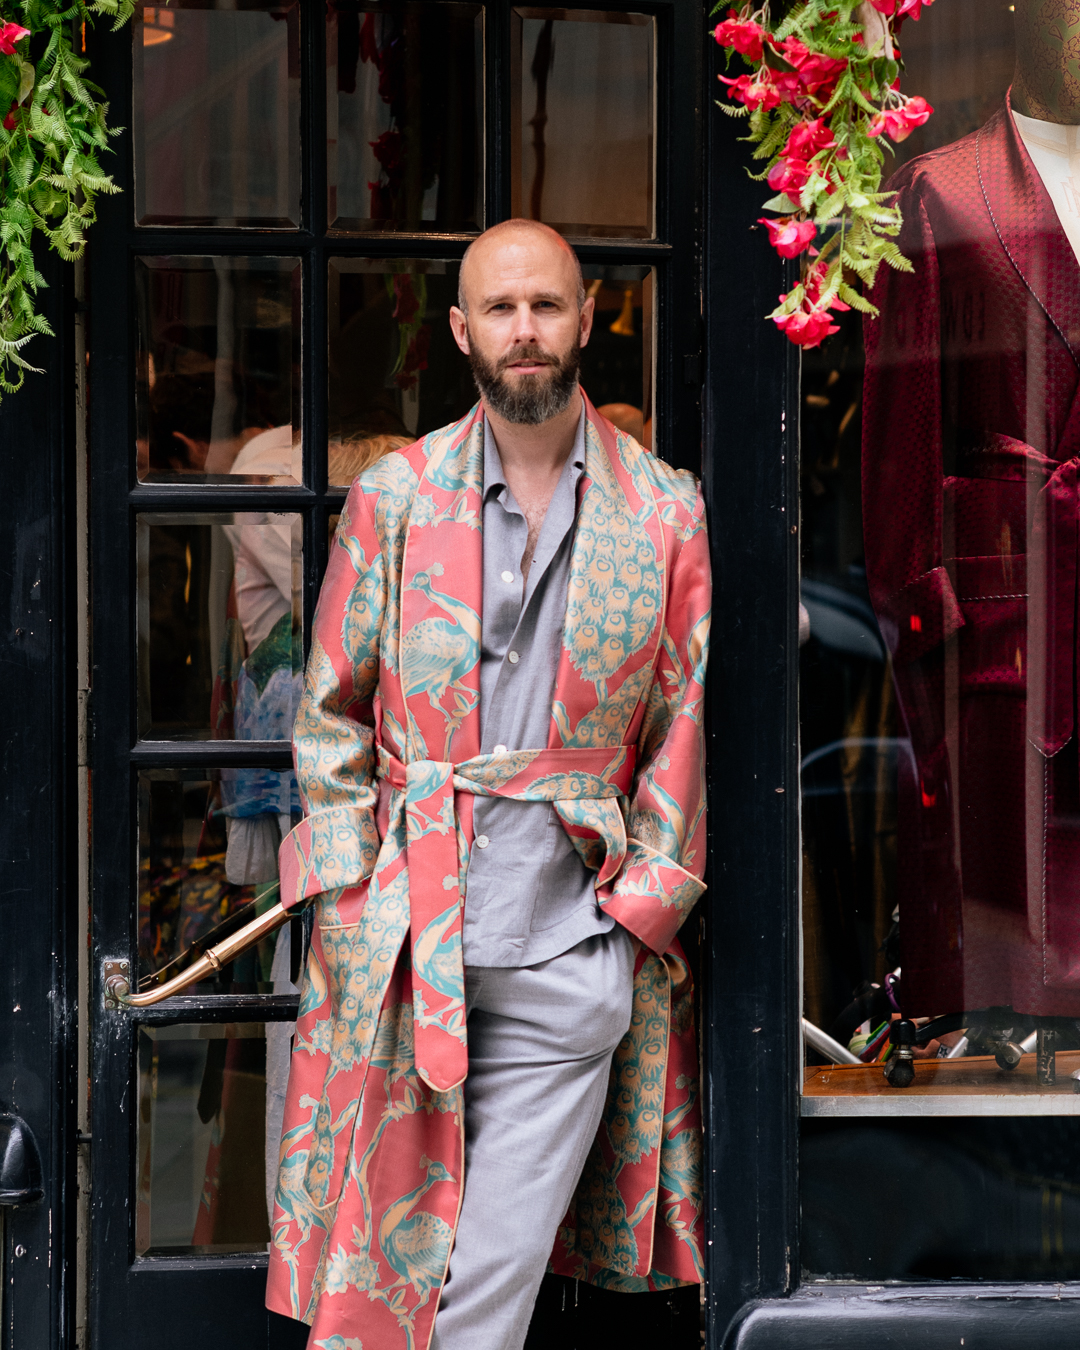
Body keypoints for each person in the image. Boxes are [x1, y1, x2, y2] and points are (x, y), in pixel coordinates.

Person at [265, 219, 710, 1349]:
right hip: (412, 958)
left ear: (587, 318)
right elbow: (327, 714)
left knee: (475, 1307)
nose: (525, 332)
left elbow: (680, 722)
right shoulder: (395, 501)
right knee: (370, 1290)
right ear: (462, 330)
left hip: (565, 958)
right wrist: (358, 894)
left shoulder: (662, 512)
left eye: (546, 307)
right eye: (501, 310)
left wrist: (635, 918)